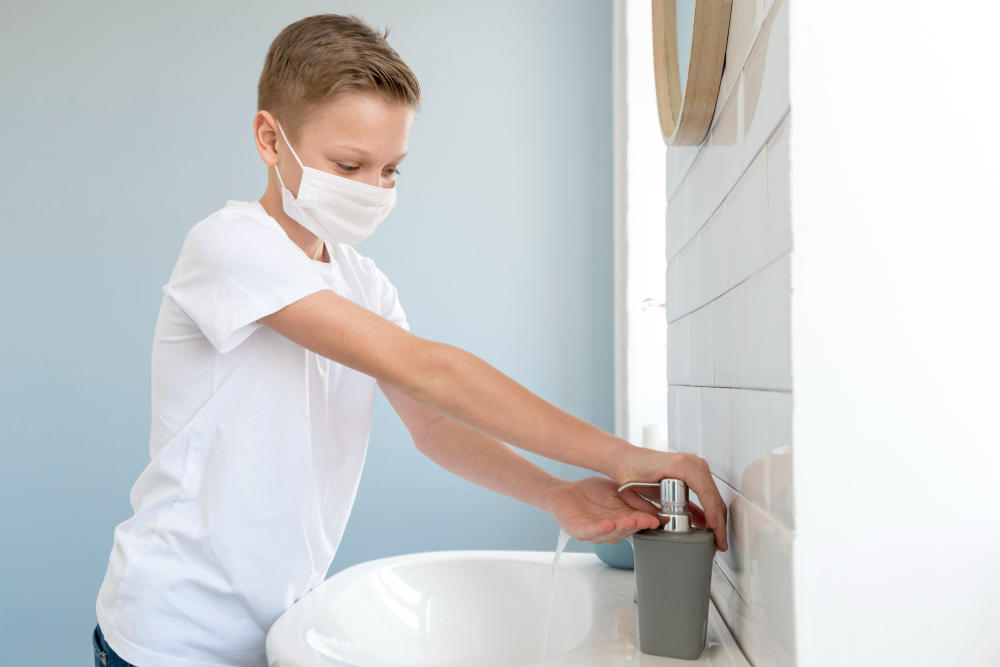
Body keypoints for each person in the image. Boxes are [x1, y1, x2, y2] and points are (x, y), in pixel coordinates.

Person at [93, 12, 728, 667]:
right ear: (268, 137)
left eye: (391, 170)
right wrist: (622, 456)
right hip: (169, 635)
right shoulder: (227, 248)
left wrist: (551, 491)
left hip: (276, 627)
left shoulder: (363, 282)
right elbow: (432, 373)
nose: (372, 190)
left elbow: (433, 424)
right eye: (349, 164)